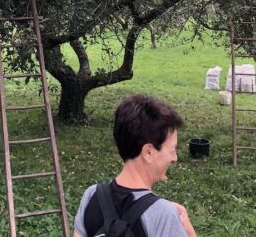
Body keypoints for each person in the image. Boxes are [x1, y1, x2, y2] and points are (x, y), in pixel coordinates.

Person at [73, 94, 196, 237]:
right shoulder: (163, 215)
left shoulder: (91, 195)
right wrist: (189, 231)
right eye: (172, 149)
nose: (175, 158)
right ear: (148, 152)